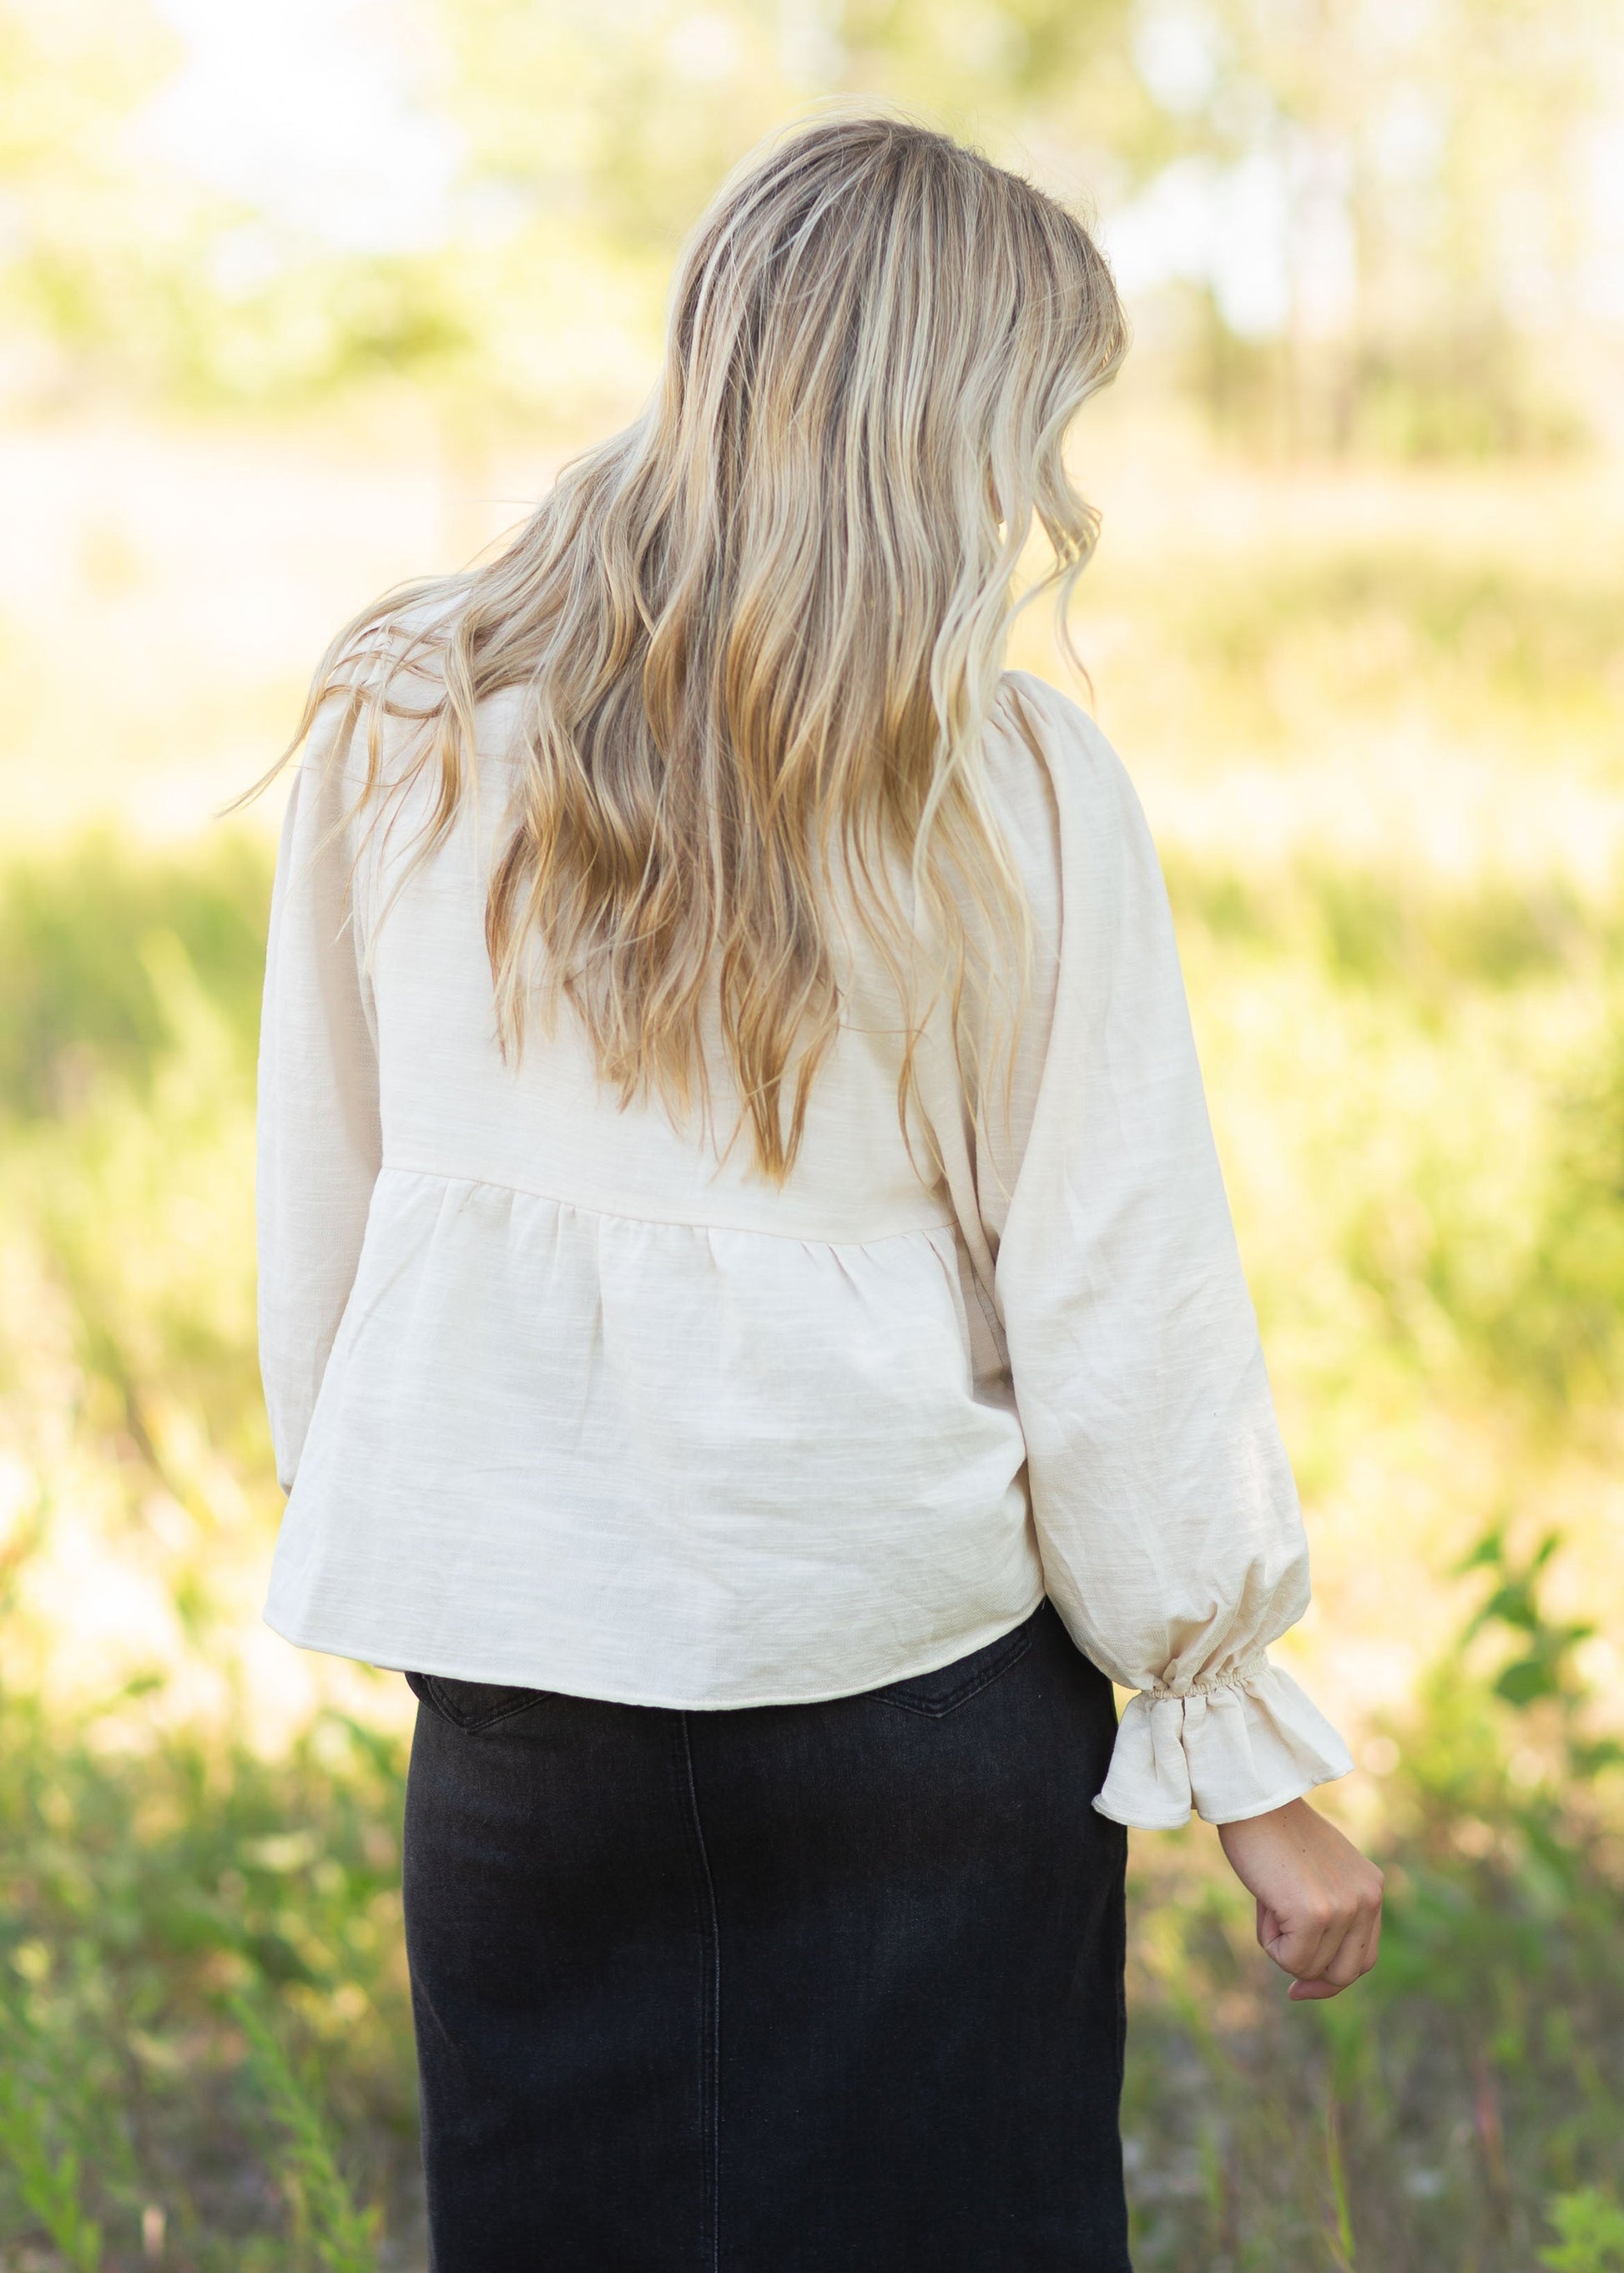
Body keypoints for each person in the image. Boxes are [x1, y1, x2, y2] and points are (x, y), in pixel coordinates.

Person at [255, 111, 1382, 2273]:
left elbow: (338, 1191)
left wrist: (414, 1520)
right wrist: (1242, 1751)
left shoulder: (409, 705)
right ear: (966, 422)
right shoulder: (1018, 775)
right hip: (911, 1676)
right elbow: (1116, 1291)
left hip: (524, 1674)